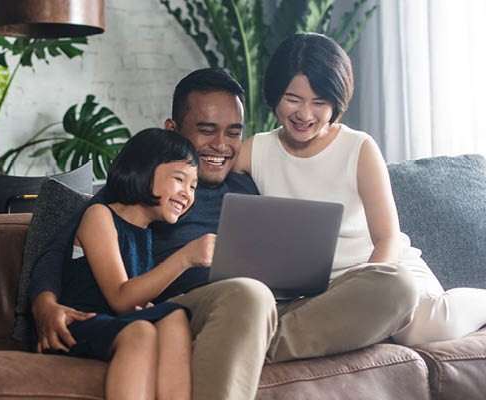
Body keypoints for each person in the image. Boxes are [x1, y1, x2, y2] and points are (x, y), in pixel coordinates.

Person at [30, 69, 278, 400]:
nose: (221, 145)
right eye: (207, 131)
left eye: (233, 133)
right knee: (234, 300)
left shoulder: (242, 188)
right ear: (172, 132)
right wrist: (44, 304)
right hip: (196, 306)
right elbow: (58, 251)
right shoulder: (120, 206)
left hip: (256, 308)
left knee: (367, 285)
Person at [233, 32, 486, 350]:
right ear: (274, 95)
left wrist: (364, 294)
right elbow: (197, 174)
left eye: (320, 103)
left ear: (336, 102)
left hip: (383, 271)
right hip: (315, 292)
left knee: (418, 331)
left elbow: (388, 238)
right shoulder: (256, 150)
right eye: (293, 99)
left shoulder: (358, 147)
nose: (305, 114)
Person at [51, 128, 203, 400]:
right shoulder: (100, 216)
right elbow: (121, 297)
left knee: (175, 315)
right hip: (77, 325)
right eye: (179, 179)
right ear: (144, 170)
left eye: (193, 186)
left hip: (114, 323)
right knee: (141, 331)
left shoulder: (145, 232)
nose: (187, 193)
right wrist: (186, 257)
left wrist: (142, 307)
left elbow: (130, 300)